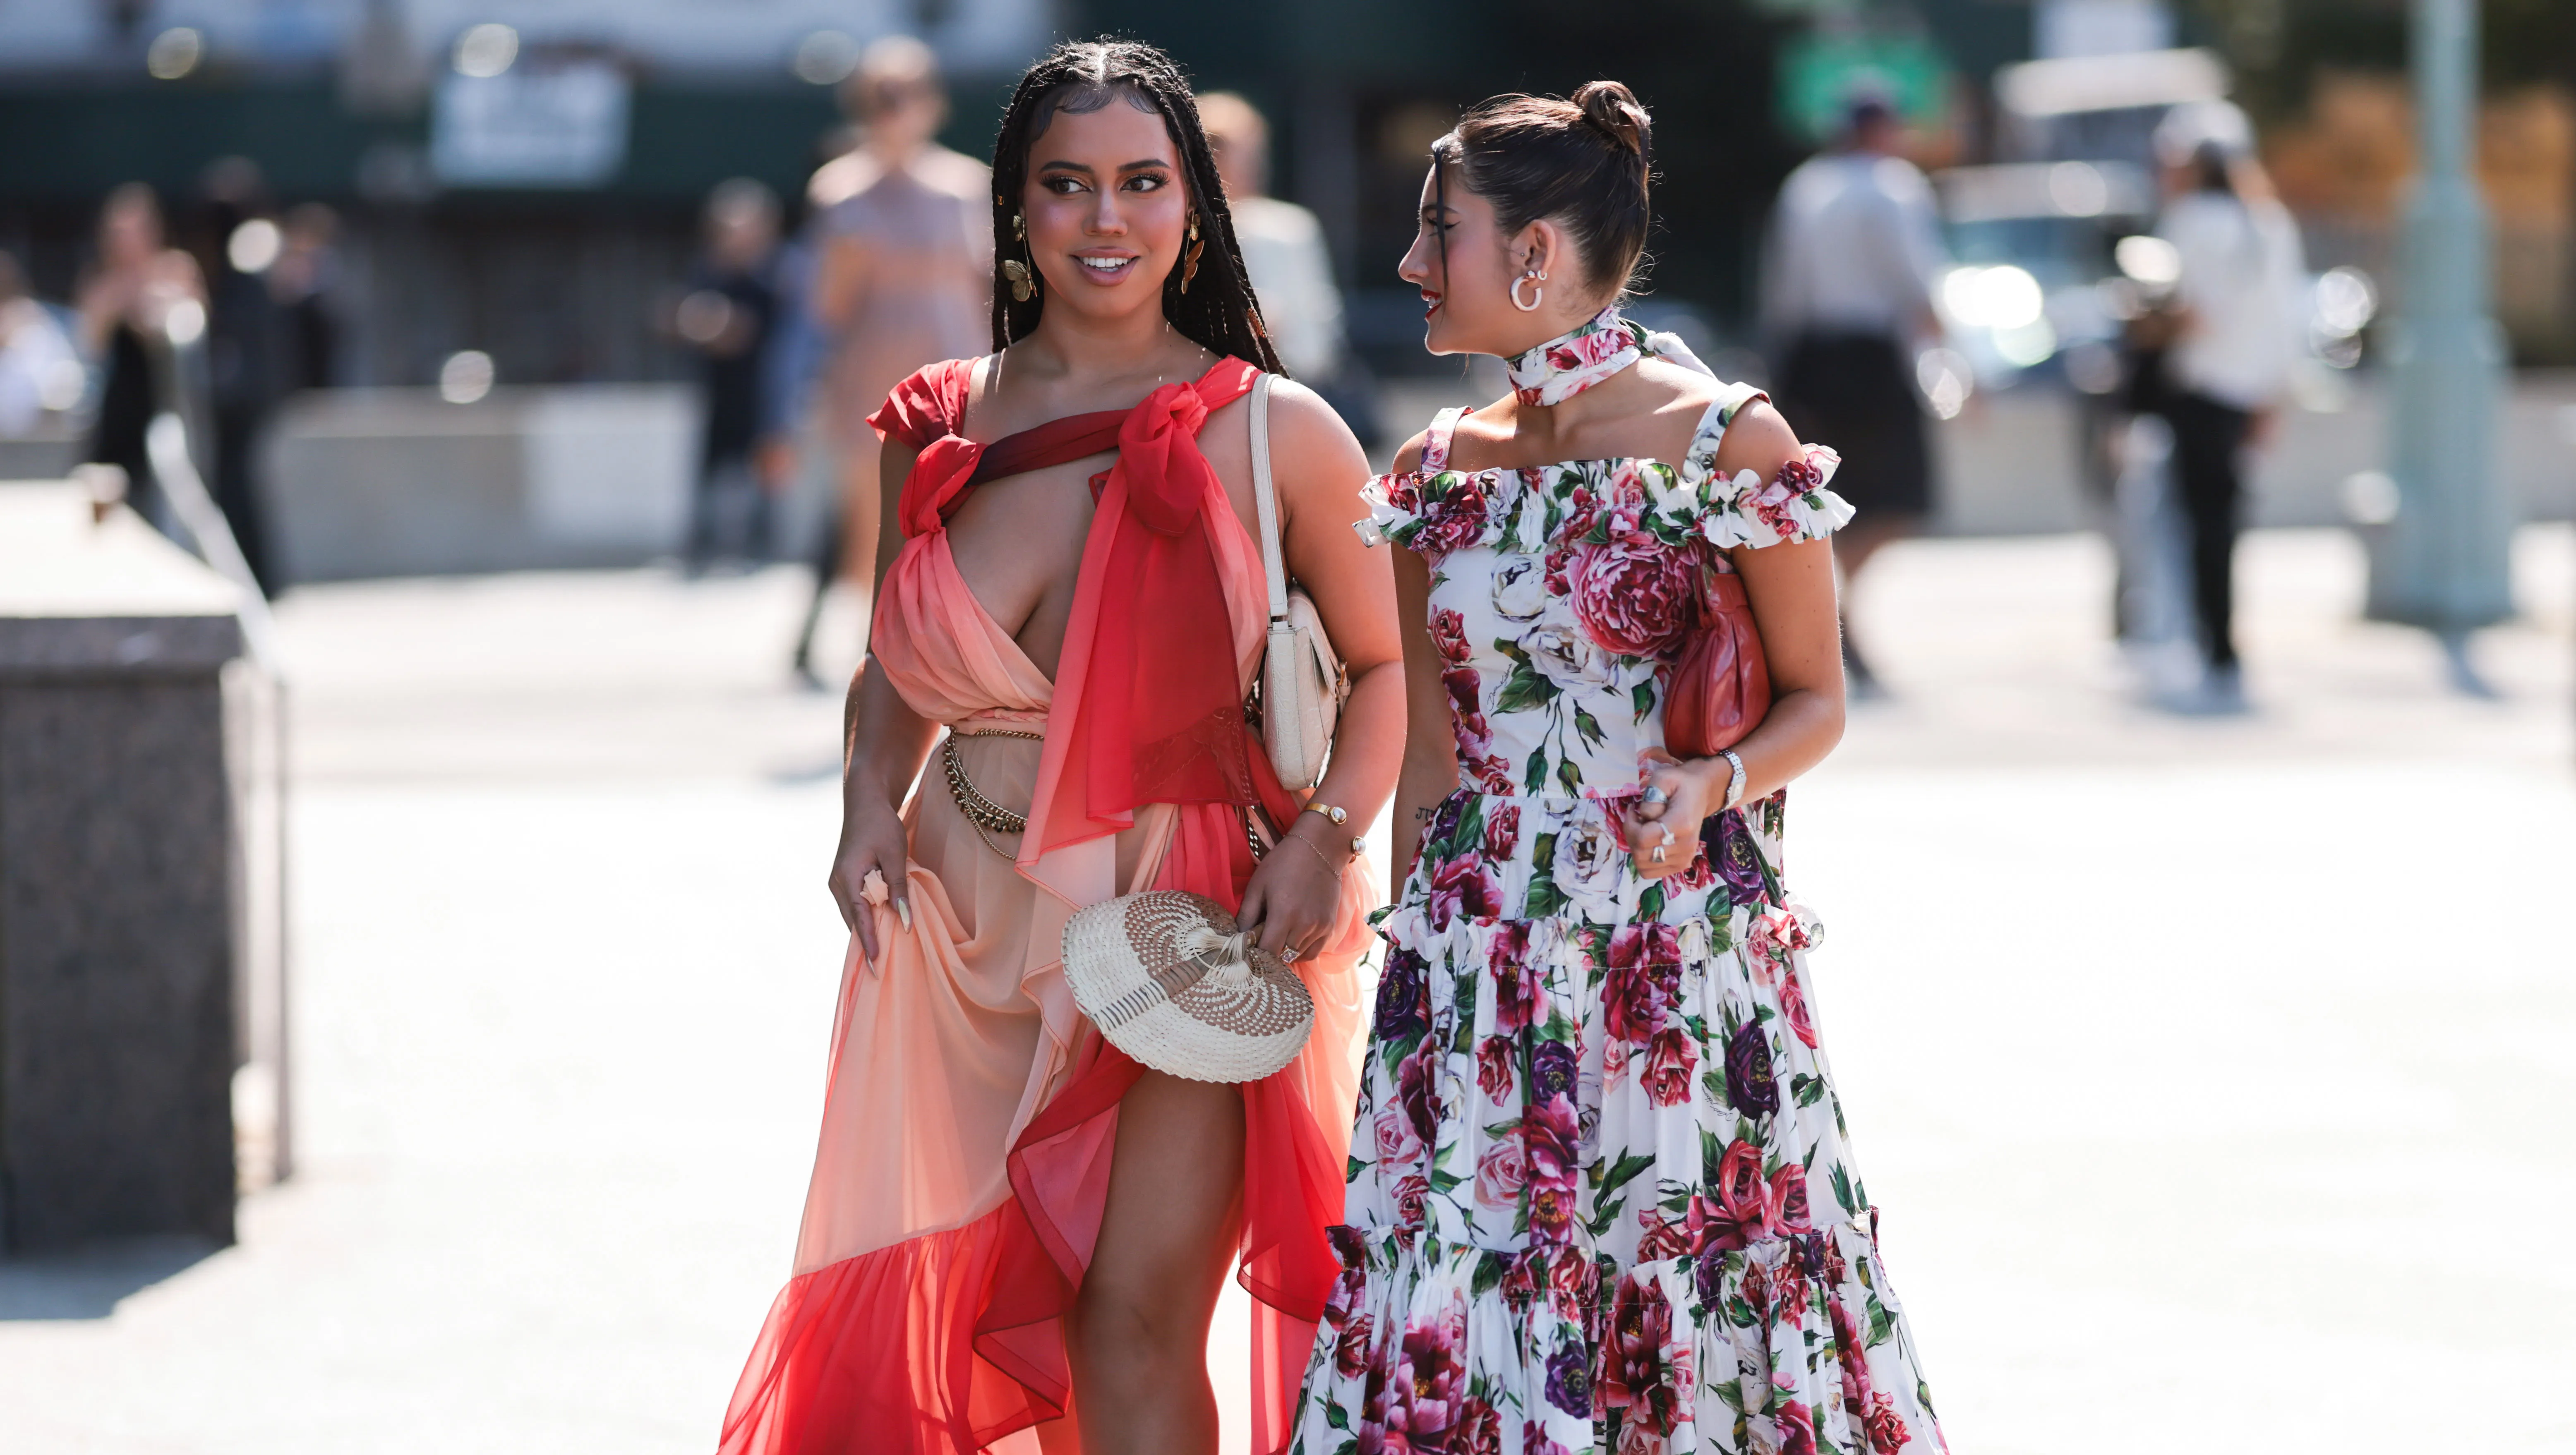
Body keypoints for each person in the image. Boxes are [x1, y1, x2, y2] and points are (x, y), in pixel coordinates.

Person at [719, 39, 1405, 1455]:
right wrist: (861, 803)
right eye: (1068, 185)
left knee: (1128, 1315)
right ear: (1015, 206)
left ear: (1196, 204)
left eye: (1144, 182)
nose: (1107, 219)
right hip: (967, 920)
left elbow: (1391, 663)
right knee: (976, 1294)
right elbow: (894, 670)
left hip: (1194, 911)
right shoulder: (938, 422)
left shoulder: (1280, 429)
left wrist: (1329, 836)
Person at [1292, 84, 1948, 1454]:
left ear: (1530, 252)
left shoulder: (1727, 444)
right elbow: (1427, 751)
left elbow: (1816, 702)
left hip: (1673, 958)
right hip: (1473, 966)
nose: (1411, 265)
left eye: (1440, 231)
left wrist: (1714, 782)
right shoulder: (1430, 468)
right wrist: (1411, 975)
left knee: (1674, 1281)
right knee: (1463, 1284)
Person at [787, 37, 992, 681]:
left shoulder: (965, 185)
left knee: (964, 512)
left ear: (933, 103)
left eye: (904, 95)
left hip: (958, 369)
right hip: (871, 376)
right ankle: (880, 657)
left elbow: (991, 286)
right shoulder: (840, 189)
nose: (892, 110)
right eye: (878, 97)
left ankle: (952, 648)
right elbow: (824, 306)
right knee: (871, 523)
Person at [1758, 93, 1947, 697]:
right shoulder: (1893, 186)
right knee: (1897, 496)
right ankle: (1836, 606)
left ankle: (1836, 604)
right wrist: (1952, 362)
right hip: (1871, 357)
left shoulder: (1803, 187)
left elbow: (1782, 285)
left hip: (1812, 358)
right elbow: (1916, 279)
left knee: (1821, 499)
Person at [2148, 102, 2305, 711]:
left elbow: (2186, 312)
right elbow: (2286, 325)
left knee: (2191, 525)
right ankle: (2221, 645)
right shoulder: (2269, 223)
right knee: (2226, 526)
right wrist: (2273, 399)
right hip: (2247, 397)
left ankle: (2203, 640)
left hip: (2197, 393)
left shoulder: (2188, 221)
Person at [77, 184, 204, 537]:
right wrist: (124, 295)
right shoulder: (102, 282)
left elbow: (181, 325)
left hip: (165, 411)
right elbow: (91, 341)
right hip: (116, 415)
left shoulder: (176, 268)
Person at [674, 178, 788, 572]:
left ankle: (764, 543)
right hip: (717, 390)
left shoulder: (778, 274)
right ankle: (701, 544)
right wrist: (704, 325)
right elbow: (682, 319)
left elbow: (775, 330)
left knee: (765, 469)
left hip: (765, 392)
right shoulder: (707, 272)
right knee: (710, 469)